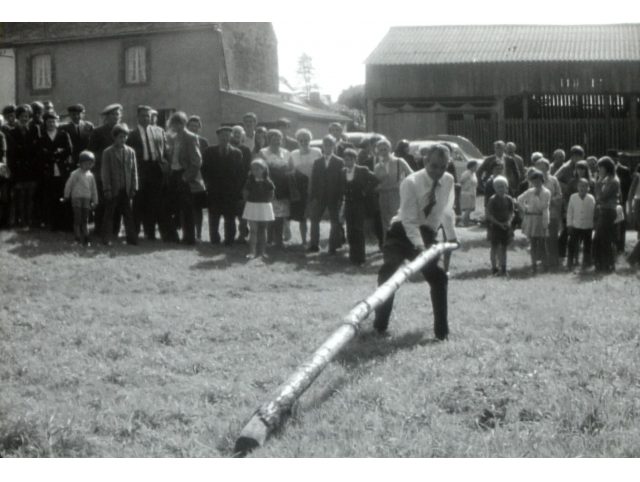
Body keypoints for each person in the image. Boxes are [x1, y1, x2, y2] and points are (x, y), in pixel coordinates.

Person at [373, 144, 457, 340]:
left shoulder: (449, 180)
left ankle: (442, 333)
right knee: (389, 272)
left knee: (438, 277)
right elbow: (409, 221)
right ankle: (380, 326)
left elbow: (446, 211)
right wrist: (420, 249)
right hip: (401, 233)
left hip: (427, 233)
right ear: (425, 161)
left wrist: (451, 237)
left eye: (443, 167)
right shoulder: (410, 182)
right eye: (434, 166)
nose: (438, 171)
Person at [127, 105, 169, 241]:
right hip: (140, 169)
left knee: (154, 201)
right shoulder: (131, 134)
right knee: (138, 201)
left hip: (155, 169)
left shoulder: (159, 131)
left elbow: (165, 150)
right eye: (143, 115)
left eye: (148, 116)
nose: (146, 118)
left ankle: (150, 233)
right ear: (138, 117)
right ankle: (134, 233)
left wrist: (165, 164)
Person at [201, 126, 245, 246]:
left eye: (227, 135)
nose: (224, 138)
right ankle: (214, 239)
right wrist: (208, 184)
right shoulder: (209, 151)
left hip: (230, 191)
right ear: (218, 137)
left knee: (230, 217)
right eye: (222, 136)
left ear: (230, 137)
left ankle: (229, 240)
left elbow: (240, 173)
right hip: (214, 189)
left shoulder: (237, 153)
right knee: (214, 216)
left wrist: (237, 188)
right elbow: (204, 170)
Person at [165, 111, 203, 245]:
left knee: (187, 209)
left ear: (184, 123)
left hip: (184, 175)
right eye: (174, 123)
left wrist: (186, 177)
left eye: (179, 123)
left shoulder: (191, 137)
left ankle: (189, 238)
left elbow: (197, 161)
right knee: (173, 207)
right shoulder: (173, 137)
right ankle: (173, 236)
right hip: (174, 174)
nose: (176, 126)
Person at [101, 124, 138, 246]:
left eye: (125, 137)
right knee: (109, 214)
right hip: (113, 189)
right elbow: (105, 172)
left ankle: (132, 239)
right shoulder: (108, 152)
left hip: (126, 189)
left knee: (128, 215)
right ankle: (106, 239)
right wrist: (107, 189)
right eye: (120, 137)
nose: (123, 139)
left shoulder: (130, 152)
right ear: (114, 138)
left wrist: (134, 187)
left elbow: (134, 171)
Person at [307, 134, 345, 254]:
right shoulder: (318, 162)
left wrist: (341, 197)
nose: (327, 147)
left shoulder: (340, 162)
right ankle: (314, 244)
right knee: (314, 219)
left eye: (330, 145)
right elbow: (314, 180)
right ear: (322, 146)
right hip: (320, 196)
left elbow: (342, 180)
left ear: (334, 146)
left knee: (335, 221)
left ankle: (333, 246)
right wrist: (313, 196)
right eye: (325, 145)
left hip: (334, 196)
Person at [88, 103, 123, 232]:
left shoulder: (123, 131)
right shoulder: (98, 132)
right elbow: (92, 151)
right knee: (102, 201)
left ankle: (115, 229)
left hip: (118, 172)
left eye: (118, 114)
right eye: (113, 114)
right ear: (106, 117)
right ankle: (100, 228)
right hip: (102, 171)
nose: (116, 117)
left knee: (117, 201)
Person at [36, 111, 73, 231]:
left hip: (62, 169)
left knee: (64, 195)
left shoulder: (63, 134)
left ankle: (66, 224)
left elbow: (69, 149)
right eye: (49, 122)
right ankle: (54, 224)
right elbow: (40, 152)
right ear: (45, 123)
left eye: (53, 121)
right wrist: (51, 154)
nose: (51, 124)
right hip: (49, 171)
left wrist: (60, 153)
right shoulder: (42, 137)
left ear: (57, 122)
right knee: (52, 197)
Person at [342, 148, 379, 265]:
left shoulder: (362, 170)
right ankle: (352, 256)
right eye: (345, 160)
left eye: (349, 159)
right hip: (348, 203)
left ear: (354, 159)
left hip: (359, 204)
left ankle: (360, 257)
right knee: (350, 229)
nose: (347, 162)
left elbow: (375, 180)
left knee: (358, 229)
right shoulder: (342, 172)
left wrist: (365, 191)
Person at [374, 139, 413, 238]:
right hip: (383, 196)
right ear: (378, 151)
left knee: (397, 220)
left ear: (390, 148)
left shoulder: (399, 161)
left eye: (385, 149)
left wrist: (403, 184)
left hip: (397, 195)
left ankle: (399, 245)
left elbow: (412, 175)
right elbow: (375, 183)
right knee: (385, 222)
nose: (383, 151)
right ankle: (387, 245)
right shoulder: (377, 166)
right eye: (381, 150)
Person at [7, 104, 37, 228]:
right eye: (22, 116)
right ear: (17, 117)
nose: (25, 119)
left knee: (30, 197)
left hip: (31, 169)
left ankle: (28, 220)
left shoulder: (34, 130)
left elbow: (36, 149)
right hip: (19, 169)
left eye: (27, 116)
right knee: (19, 196)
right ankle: (19, 220)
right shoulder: (12, 132)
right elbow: (11, 153)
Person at [290, 128, 321, 246]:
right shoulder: (293, 154)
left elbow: (320, 169)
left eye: (306, 139)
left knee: (314, 214)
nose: (304, 142)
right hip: (300, 189)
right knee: (302, 216)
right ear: (297, 141)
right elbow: (292, 172)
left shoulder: (317, 151)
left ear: (310, 140)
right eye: (301, 140)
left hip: (314, 186)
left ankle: (314, 240)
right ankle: (303, 241)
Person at [518, 168, 551, 274]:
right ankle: (533, 265)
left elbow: (543, 206)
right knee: (533, 243)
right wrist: (525, 208)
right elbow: (519, 199)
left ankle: (545, 264)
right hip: (531, 219)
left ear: (542, 180)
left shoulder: (546, 192)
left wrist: (537, 197)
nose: (536, 183)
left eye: (538, 181)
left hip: (541, 218)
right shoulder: (530, 191)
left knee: (542, 243)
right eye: (534, 181)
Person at [242, 158, 275, 260]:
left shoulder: (268, 182)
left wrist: (265, 202)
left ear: (264, 169)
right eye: (253, 169)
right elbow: (245, 194)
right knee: (253, 230)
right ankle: (252, 252)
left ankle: (262, 252)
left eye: (258, 169)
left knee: (262, 230)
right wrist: (251, 201)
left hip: (264, 207)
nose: (256, 171)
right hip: (252, 206)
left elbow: (271, 195)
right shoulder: (249, 182)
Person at [63, 150, 98, 245]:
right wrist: (66, 195)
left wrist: (95, 201)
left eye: (91, 164)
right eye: (86, 164)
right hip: (76, 198)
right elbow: (68, 185)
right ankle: (77, 238)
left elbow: (94, 189)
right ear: (81, 163)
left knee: (85, 219)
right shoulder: (75, 174)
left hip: (86, 199)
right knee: (77, 218)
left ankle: (86, 238)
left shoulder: (91, 175)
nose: (88, 166)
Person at [592, 157, 620, 273]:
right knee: (601, 239)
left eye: (600, 167)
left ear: (606, 167)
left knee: (603, 239)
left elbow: (601, 197)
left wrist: (597, 183)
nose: (599, 170)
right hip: (605, 210)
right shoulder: (609, 179)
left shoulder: (613, 181)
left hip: (609, 211)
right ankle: (602, 264)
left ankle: (606, 264)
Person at [535, 158, 562, 269]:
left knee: (552, 237)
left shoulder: (554, 180)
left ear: (547, 167)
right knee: (541, 237)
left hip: (552, 212)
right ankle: (543, 261)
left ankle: (554, 260)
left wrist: (551, 201)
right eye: (539, 167)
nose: (541, 169)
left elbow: (559, 195)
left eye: (543, 167)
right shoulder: (533, 181)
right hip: (539, 213)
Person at [186, 116, 209, 241]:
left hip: (199, 179)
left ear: (199, 128)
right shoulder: (182, 140)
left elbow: (206, 162)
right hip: (186, 177)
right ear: (187, 127)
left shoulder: (203, 142)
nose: (194, 128)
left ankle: (198, 233)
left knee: (198, 208)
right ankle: (187, 232)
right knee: (186, 206)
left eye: (196, 126)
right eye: (191, 126)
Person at [485, 176, 514, 276]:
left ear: (507, 187)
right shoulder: (492, 200)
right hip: (495, 226)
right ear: (494, 188)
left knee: (504, 248)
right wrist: (499, 223)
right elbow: (488, 215)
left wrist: (509, 221)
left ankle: (504, 268)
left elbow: (511, 212)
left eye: (503, 186)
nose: (501, 189)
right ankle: (494, 268)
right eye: (498, 187)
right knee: (494, 247)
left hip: (506, 226)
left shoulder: (509, 199)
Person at [230, 125, 253, 243]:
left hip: (242, 183)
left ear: (243, 136)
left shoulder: (246, 150)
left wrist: (245, 185)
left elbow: (248, 168)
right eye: (234, 133)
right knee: (231, 211)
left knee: (242, 211)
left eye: (239, 133)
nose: (236, 136)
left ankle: (242, 235)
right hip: (229, 184)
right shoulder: (227, 148)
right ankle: (232, 234)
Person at [566, 178, 595, 271]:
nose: (582, 188)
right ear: (577, 187)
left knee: (587, 245)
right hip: (575, 225)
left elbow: (593, 212)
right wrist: (569, 224)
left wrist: (593, 224)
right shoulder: (573, 197)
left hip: (587, 226)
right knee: (572, 244)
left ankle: (586, 263)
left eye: (585, 186)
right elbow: (570, 212)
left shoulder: (591, 198)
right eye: (580, 186)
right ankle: (570, 263)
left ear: (588, 188)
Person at [60, 104, 94, 169]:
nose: (76, 116)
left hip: (86, 157)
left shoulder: (88, 126)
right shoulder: (64, 128)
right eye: (73, 114)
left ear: (82, 114)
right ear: (70, 115)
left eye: (78, 114)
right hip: (72, 158)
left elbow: (92, 141)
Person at [626, 164, 640, 268]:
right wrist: (630, 210)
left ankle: (635, 259)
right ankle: (632, 258)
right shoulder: (638, 177)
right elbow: (630, 195)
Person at [459, 160, 478, 226]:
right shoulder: (466, 173)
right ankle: (462, 222)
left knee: (470, 208)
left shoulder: (474, 174)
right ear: (471, 166)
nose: (476, 168)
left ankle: (467, 221)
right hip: (466, 193)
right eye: (475, 166)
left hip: (472, 192)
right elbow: (461, 181)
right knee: (468, 208)